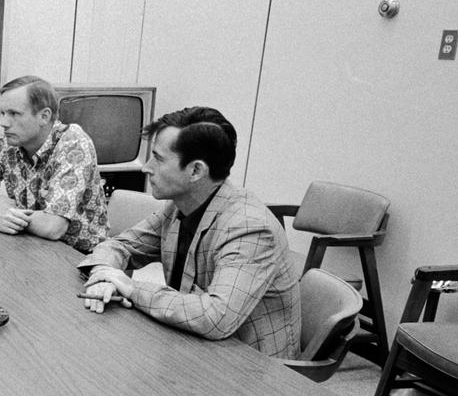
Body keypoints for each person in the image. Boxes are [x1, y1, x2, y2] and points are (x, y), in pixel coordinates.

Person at [78, 106, 301, 357]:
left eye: (159, 159)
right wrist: (103, 276)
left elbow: (215, 317)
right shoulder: (179, 205)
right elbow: (121, 245)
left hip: (252, 370)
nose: (146, 168)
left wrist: (129, 287)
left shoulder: (250, 228)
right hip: (194, 346)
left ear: (196, 171)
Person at [0, 75, 108, 252]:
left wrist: (8, 211)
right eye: (3, 113)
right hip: (30, 246)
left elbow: (53, 226)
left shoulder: (73, 143)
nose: (3, 123)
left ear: (44, 116)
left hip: (81, 258)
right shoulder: (4, 143)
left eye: (14, 114)